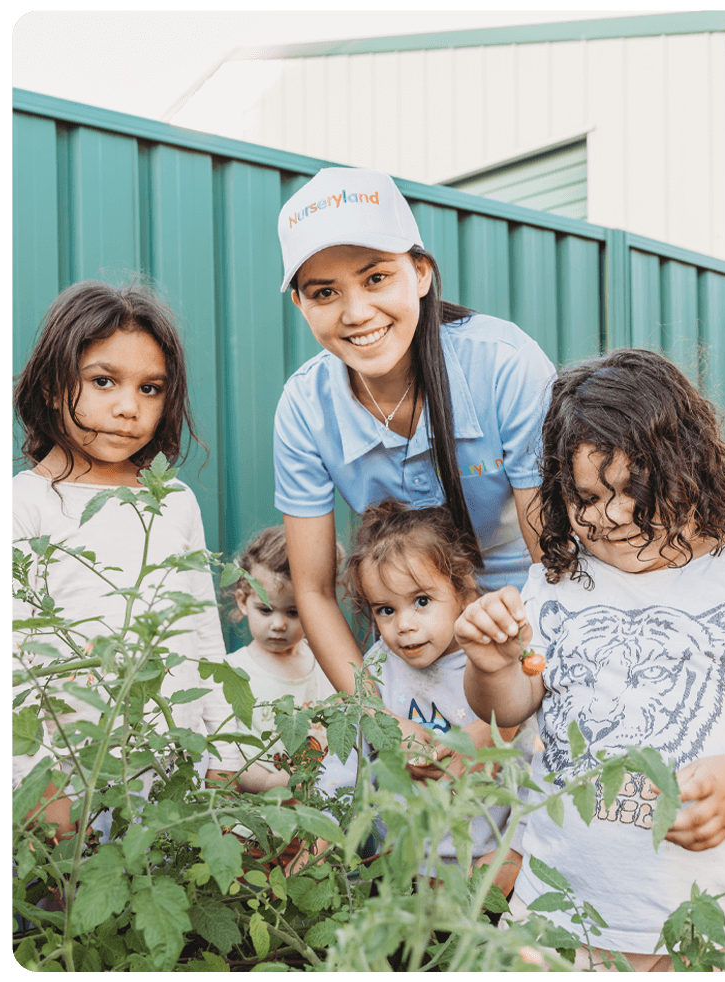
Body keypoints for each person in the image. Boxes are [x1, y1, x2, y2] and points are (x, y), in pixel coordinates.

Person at [456, 349, 725, 969]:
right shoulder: (560, 580)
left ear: (690, 465)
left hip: (706, 929)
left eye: (635, 491)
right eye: (586, 498)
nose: (612, 517)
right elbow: (511, 708)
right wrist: (490, 666)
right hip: (552, 922)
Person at [273, 167, 557, 709]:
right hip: (409, 647)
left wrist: (510, 703)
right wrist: (386, 723)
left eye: (376, 277)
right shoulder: (305, 408)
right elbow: (313, 590)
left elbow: (553, 561)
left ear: (421, 273)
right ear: (301, 305)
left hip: (525, 628)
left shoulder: (503, 365)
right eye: (325, 292)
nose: (357, 313)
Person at [12, 279, 241, 840]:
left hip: (171, 775)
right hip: (66, 782)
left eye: (150, 388)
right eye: (103, 381)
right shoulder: (28, 503)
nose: (127, 408)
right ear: (49, 385)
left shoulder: (173, 499)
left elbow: (201, 637)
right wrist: (37, 787)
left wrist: (226, 753)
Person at [302, 500, 537, 899]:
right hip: (395, 873)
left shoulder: (493, 667)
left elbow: (531, 765)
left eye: (422, 601)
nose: (404, 625)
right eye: (386, 610)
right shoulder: (378, 667)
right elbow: (348, 761)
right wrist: (319, 840)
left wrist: (511, 853)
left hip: (480, 873)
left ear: (462, 590)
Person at [223, 526, 338, 793]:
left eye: (293, 612)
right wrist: (269, 783)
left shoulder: (324, 661)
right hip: (265, 813)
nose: (278, 624)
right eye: (265, 610)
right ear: (242, 601)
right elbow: (231, 749)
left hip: (324, 809)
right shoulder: (234, 671)